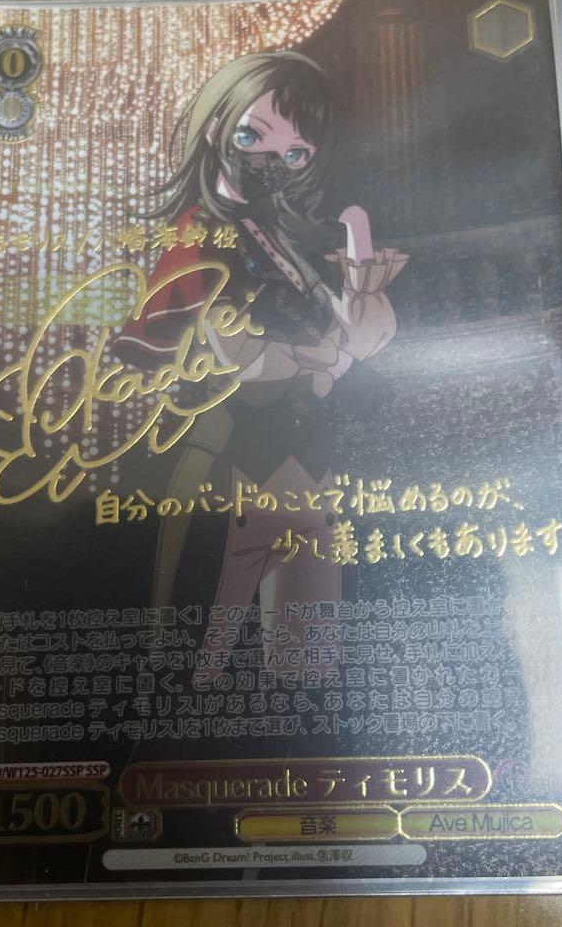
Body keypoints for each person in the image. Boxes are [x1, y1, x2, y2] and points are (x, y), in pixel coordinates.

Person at [115, 51, 407, 675]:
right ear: (216, 127)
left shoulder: (279, 234)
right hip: (231, 466)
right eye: (253, 137)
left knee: (306, 663)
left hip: (307, 470)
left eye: (296, 152)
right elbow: (238, 355)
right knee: (194, 659)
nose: (273, 161)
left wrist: (358, 298)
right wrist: (331, 352)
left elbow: (362, 336)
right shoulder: (198, 231)